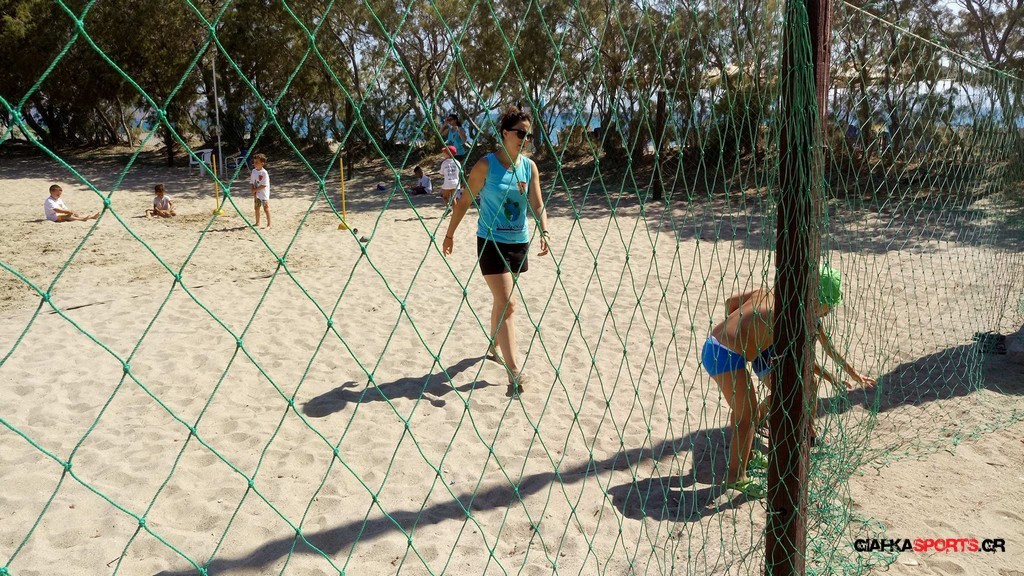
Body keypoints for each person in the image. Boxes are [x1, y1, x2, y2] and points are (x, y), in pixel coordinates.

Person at [700, 265, 876, 498]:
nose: (829, 312)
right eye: (829, 306)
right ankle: (736, 477)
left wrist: (743, 330)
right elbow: (804, 362)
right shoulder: (789, 319)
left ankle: (747, 457)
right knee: (747, 414)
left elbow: (731, 303)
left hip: (720, 344)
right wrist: (831, 377)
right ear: (815, 300)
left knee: (748, 409)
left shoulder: (770, 293)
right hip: (724, 355)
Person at [441, 106, 551, 397]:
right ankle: (514, 372)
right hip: (490, 242)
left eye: (529, 135)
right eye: (521, 134)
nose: (525, 139)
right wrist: (450, 234)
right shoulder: (486, 165)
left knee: (502, 301)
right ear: (505, 133)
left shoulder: (529, 167)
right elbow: (464, 201)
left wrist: (545, 230)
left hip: (519, 243)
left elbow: (537, 203)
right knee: (509, 303)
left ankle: (493, 344)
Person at [249, 153, 271, 227]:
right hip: (257, 194)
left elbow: (264, 185)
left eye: (257, 162)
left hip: (264, 195)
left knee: (266, 209)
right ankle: (257, 222)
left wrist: (255, 190)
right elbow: (251, 182)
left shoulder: (264, 173)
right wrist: (252, 190)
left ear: (262, 163)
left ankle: (268, 225)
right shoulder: (254, 171)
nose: (254, 163)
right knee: (257, 208)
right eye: (254, 162)